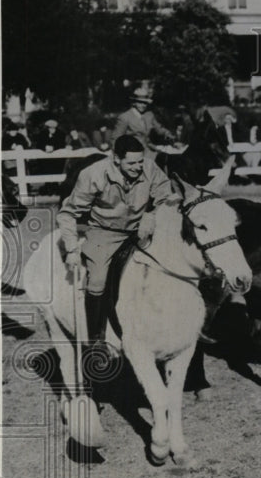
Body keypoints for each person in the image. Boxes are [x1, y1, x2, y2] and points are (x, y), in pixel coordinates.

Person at [57, 134, 178, 355]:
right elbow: (67, 213)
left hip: (141, 231)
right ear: (116, 159)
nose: (137, 167)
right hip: (105, 233)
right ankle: (96, 340)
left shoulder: (149, 168)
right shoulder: (93, 174)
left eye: (140, 161)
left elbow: (167, 197)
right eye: (131, 163)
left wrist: (151, 215)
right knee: (98, 280)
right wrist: (72, 248)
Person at [110, 84, 174, 152]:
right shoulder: (124, 117)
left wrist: (168, 134)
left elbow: (159, 129)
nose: (143, 105)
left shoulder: (149, 115)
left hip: (149, 149)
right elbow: (116, 139)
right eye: (140, 103)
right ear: (134, 103)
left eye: (145, 103)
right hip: (132, 152)